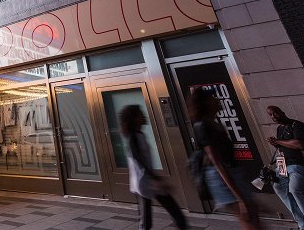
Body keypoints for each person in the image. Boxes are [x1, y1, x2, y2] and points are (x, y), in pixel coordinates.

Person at [189, 87, 260, 229]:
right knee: (248, 218)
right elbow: (217, 163)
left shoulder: (212, 123)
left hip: (231, 173)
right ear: (206, 102)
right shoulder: (202, 126)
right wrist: (239, 197)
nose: (218, 99)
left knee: (252, 217)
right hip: (221, 177)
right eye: (213, 97)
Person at [120, 105, 186, 230]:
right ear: (133, 118)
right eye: (140, 114)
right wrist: (155, 178)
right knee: (146, 222)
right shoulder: (133, 137)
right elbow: (138, 159)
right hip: (144, 182)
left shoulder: (139, 134)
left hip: (148, 181)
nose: (143, 116)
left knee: (174, 214)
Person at [266, 105, 304, 230]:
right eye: (270, 115)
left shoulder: (296, 125)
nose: (273, 117)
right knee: (279, 188)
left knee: (294, 189)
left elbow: (299, 144)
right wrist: (276, 145)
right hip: (283, 166)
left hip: (297, 165)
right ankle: (301, 223)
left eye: (275, 113)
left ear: (282, 111)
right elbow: (282, 148)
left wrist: (278, 142)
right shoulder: (279, 129)